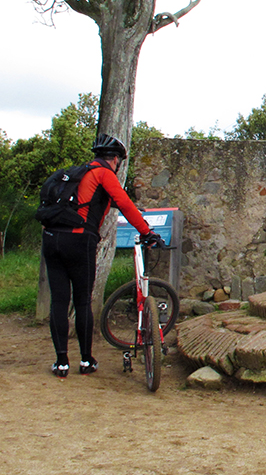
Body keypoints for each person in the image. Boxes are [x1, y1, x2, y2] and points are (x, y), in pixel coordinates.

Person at [42, 133, 164, 378]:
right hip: (79, 241)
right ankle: (86, 360)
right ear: (115, 160)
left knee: (58, 300)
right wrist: (147, 232)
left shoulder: (78, 174)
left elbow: (91, 201)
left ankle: (61, 362)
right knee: (83, 301)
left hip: (52, 239)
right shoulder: (104, 174)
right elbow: (124, 202)